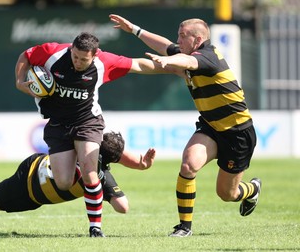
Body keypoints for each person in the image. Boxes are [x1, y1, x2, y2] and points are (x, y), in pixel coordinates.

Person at [109, 14, 262, 237]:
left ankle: (252, 189)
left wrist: (169, 61)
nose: (178, 41)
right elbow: (166, 46)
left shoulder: (208, 56)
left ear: (197, 39)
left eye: (183, 37)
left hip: (237, 133)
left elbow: (187, 62)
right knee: (188, 166)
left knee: (227, 194)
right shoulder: (187, 52)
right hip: (211, 127)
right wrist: (134, 29)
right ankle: (184, 227)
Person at [14, 32, 165, 237]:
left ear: (94, 56)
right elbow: (27, 55)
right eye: (75, 56)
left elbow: (138, 65)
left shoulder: (104, 62)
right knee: (64, 182)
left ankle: (95, 228)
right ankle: (95, 167)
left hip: (88, 122)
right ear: (71, 49)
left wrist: (172, 66)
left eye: (83, 59)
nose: (77, 62)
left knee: (89, 172)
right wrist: (19, 81)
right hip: (58, 124)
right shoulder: (53, 53)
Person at [0, 132, 156, 229]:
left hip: (37, 173)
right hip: (28, 184)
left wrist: (139, 164)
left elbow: (113, 152)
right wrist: (110, 185)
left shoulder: (87, 141)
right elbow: (123, 207)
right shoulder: (99, 174)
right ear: (110, 161)